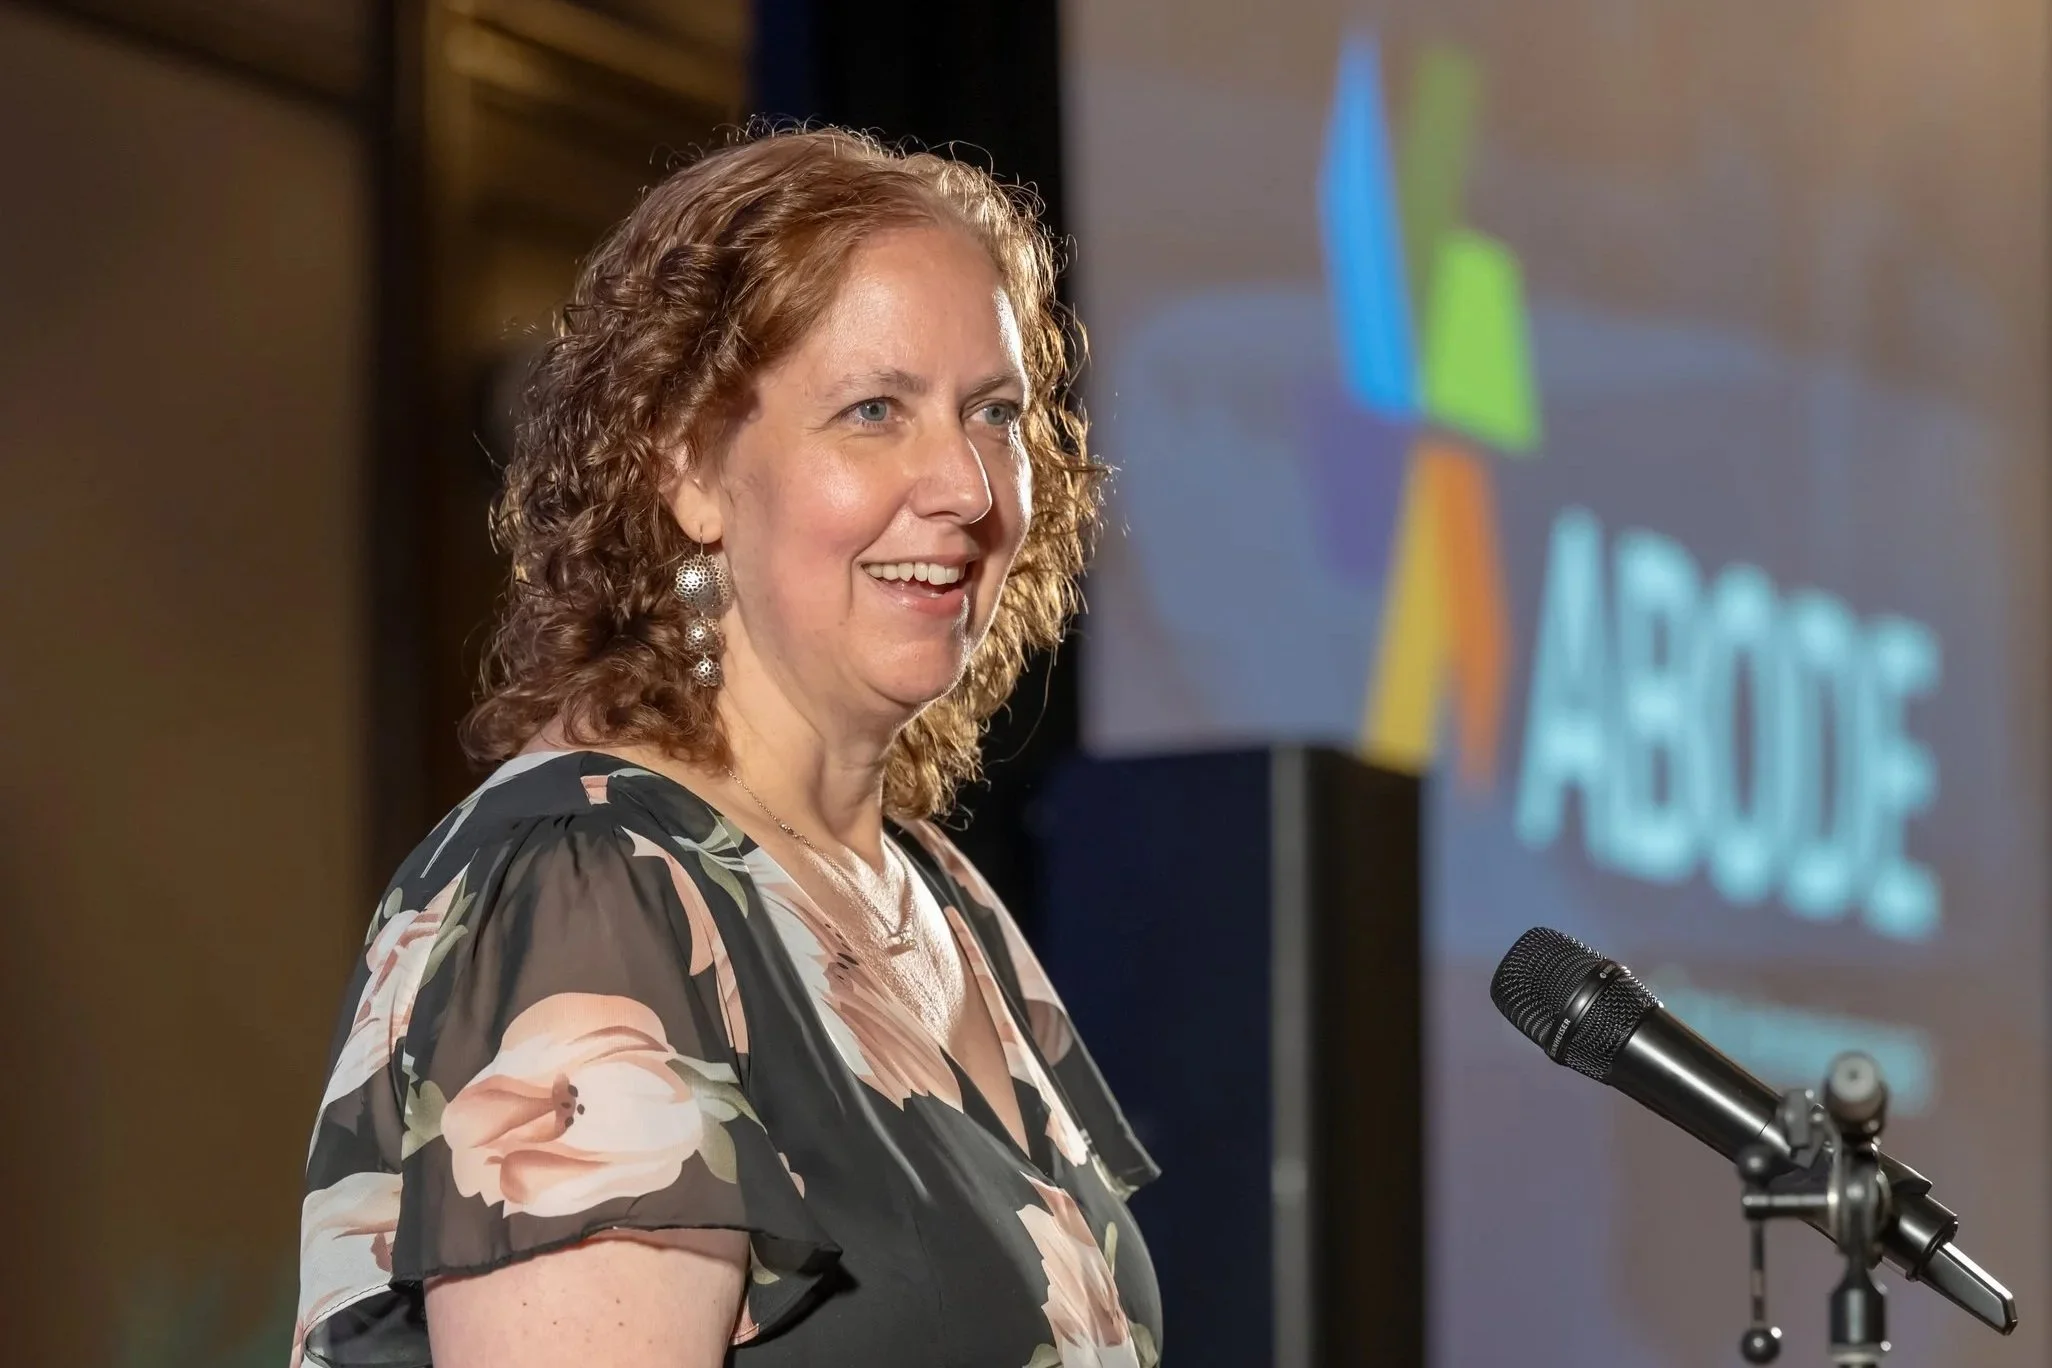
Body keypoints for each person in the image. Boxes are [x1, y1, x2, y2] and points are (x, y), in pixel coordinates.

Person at [292, 128, 1161, 1367]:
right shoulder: (590, 888)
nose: (968, 485)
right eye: (874, 411)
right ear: (689, 467)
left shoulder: (942, 900)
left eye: (995, 412)